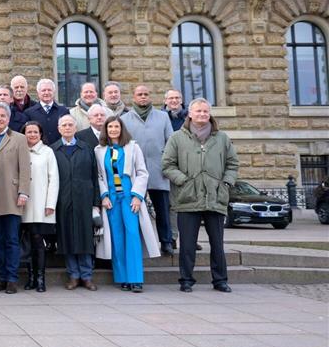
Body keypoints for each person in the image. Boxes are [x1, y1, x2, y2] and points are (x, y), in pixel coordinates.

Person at [162, 98, 239, 293]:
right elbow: (167, 165)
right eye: (198, 111)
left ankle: (220, 280)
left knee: (217, 244)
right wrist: (183, 181)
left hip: (215, 197)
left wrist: (226, 182)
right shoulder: (177, 138)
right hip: (188, 198)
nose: (202, 115)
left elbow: (232, 164)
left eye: (205, 111)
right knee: (187, 245)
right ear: (189, 113)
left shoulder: (222, 138)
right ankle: (186, 279)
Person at [95, 116, 161, 293]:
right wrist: (104, 196)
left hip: (129, 196)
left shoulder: (133, 147)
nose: (114, 130)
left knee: (132, 234)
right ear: (106, 130)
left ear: (121, 128)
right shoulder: (100, 150)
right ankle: (122, 277)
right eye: (110, 127)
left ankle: (135, 279)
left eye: (116, 126)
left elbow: (142, 172)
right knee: (116, 237)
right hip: (111, 199)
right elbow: (100, 176)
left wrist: (137, 196)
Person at [121, 85, 176, 255]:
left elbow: (171, 142)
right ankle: (137, 241)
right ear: (134, 97)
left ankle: (166, 241)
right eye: (140, 94)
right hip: (135, 173)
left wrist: (167, 164)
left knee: (163, 209)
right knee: (134, 208)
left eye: (146, 94)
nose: (143, 97)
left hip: (159, 169)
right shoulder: (124, 119)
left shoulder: (163, 117)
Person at [52, 115, 101, 291]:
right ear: (59, 128)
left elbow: (95, 177)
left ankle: (86, 276)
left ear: (75, 128)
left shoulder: (86, 149)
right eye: (64, 125)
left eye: (70, 125)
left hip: (84, 200)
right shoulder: (53, 150)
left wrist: (96, 202)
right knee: (67, 238)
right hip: (63, 201)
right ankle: (73, 275)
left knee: (85, 238)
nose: (67, 128)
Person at [0, 102, 31, 294]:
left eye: (2, 116)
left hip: (12, 196)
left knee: (11, 239)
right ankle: (1, 277)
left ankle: (12, 278)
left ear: (7, 118)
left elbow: (25, 168)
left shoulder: (19, 139)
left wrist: (24, 192)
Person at [21, 121, 58, 293]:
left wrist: (50, 203)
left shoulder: (47, 152)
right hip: (23, 204)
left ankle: (40, 278)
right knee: (26, 243)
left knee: (38, 242)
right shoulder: (20, 151)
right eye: (29, 132)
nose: (32, 135)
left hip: (41, 205)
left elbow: (54, 179)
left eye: (35, 132)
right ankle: (30, 278)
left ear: (40, 134)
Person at [24, 79, 70, 146]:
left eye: (49, 90)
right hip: (38, 151)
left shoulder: (63, 111)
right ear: (38, 92)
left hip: (60, 151)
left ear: (54, 92)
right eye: (43, 90)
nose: (46, 93)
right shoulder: (29, 113)